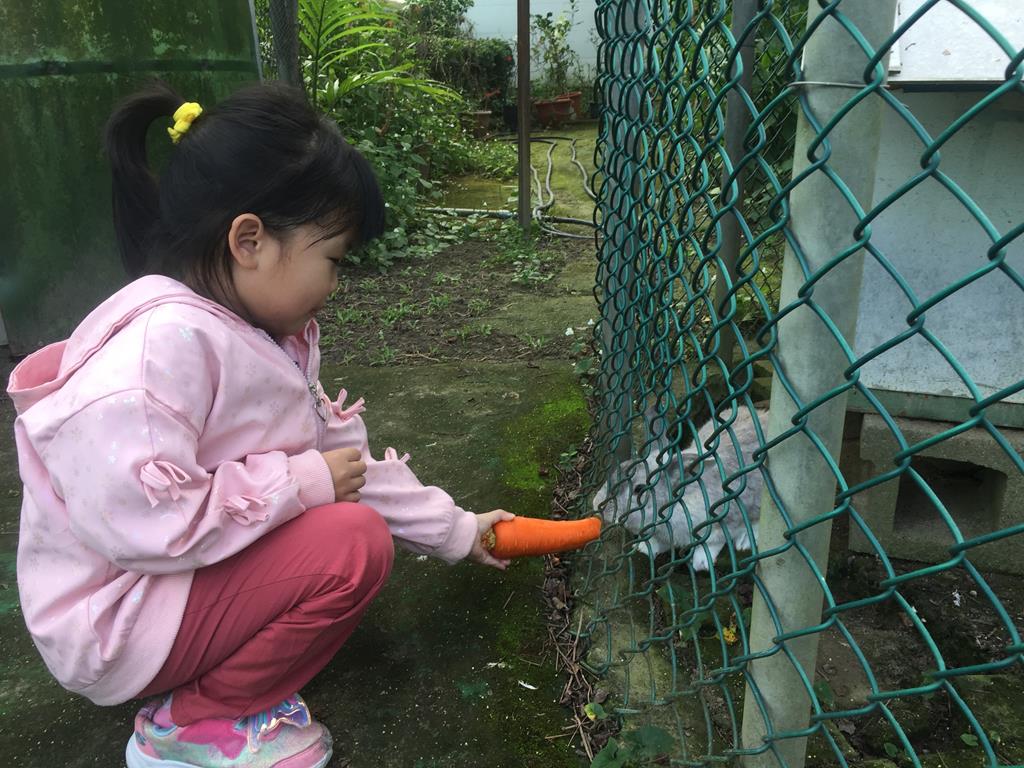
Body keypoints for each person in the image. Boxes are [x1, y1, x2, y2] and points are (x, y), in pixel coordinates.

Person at [7, 80, 515, 768]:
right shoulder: (158, 353)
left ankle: (207, 686)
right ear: (249, 240)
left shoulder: (265, 334)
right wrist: (301, 483)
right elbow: (148, 526)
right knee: (352, 544)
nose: (335, 284)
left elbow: (346, 468)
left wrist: (457, 529)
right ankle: (191, 724)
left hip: (165, 588)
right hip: (114, 620)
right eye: (332, 259)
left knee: (342, 518)